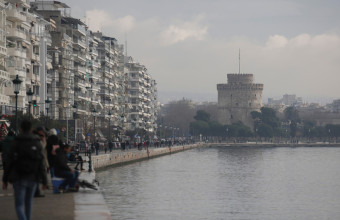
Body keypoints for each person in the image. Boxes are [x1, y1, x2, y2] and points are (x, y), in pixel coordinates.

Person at [2, 120, 47, 220]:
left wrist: (5, 180)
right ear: (31, 129)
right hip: (33, 177)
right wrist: (44, 181)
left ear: (21, 129)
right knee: (29, 203)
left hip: (19, 177)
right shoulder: (36, 142)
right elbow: (41, 162)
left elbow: (9, 162)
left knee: (19, 205)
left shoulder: (16, 142)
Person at [33, 127, 49, 198]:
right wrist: (43, 141)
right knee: (36, 177)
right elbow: (41, 150)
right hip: (36, 162)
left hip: (37, 162)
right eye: (43, 133)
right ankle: (35, 192)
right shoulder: (36, 140)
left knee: (36, 177)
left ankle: (36, 191)